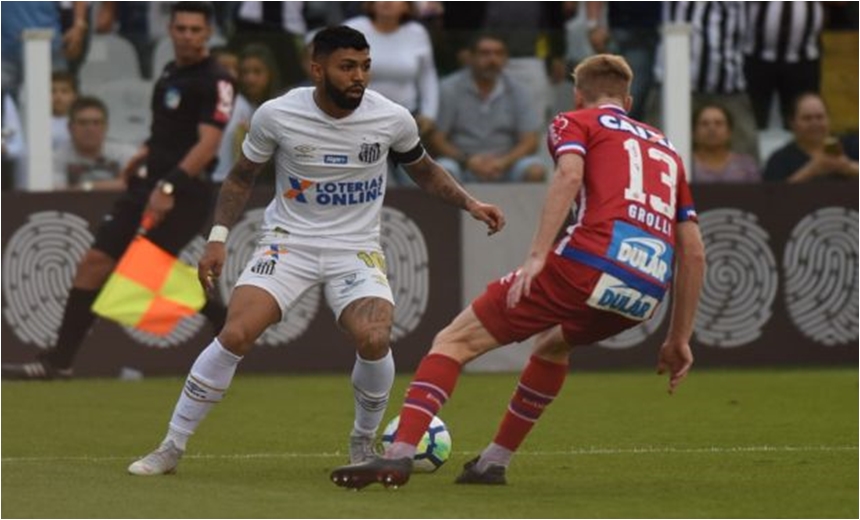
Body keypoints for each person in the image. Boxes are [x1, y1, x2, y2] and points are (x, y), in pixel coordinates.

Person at [125, 26, 504, 477]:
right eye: (347, 67)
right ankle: (171, 446)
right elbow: (242, 176)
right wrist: (218, 238)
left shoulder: (391, 117)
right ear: (317, 68)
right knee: (237, 333)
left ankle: (363, 442)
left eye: (365, 67)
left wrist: (470, 203)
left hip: (355, 249)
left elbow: (423, 170)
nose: (358, 77)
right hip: (289, 244)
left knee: (374, 337)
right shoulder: (278, 115)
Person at [330, 53, 706, 489]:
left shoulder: (575, 120)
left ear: (578, 94)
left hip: (587, 262)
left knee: (454, 341)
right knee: (552, 347)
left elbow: (567, 175)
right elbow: (693, 251)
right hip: (646, 288)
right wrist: (678, 338)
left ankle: (396, 455)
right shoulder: (666, 147)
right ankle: (493, 462)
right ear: (629, 98)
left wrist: (536, 256)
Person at [2, 2, 235, 381]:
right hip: (147, 184)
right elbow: (168, 132)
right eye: (181, 29)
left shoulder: (217, 80)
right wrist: (143, 154)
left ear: (208, 32)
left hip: (184, 191)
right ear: (171, 30)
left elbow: (207, 144)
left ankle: (223, 321)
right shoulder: (170, 71)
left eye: (196, 30)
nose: (188, 36)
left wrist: (170, 185)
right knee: (95, 261)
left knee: (144, 272)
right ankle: (58, 361)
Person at [431, 33, 547, 184]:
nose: (492, 60)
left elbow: (530, 140)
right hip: (462, 163)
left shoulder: (519, 90)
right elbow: (436, 139)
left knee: (535, 171)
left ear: (506, 59)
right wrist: (467, 161)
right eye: (485, 53)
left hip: (506, 164)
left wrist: (504, 162)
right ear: (470, 57)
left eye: (498, 54)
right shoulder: (449, 88)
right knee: (443, 171)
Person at [212, 43, 282, 183]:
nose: (250, 79)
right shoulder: (236, 105)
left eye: (257, 72)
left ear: (270, 74)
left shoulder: (282, 107)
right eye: (244, 72)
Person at [763, 92, 859, 182]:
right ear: (792, 123)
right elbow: (772, 196)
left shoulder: (851, 145)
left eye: (820, 117)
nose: (815, 123)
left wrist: (848, 167)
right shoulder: (779, 160)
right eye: (807, 118)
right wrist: (812, 170)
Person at [53, 96, 137, 191]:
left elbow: (138, 184)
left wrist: (87, 186)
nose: (90, 129)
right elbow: (58, 191)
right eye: (82, 123)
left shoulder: (125, 153)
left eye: (96, 123)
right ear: (70, 128)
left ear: (106, 127)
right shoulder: (56, 158)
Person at [691, 104, 760, 183]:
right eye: (704, 124)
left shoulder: (746, 165)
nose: (712, 128)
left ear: (729, 132)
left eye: (718, 123)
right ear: (694, 133)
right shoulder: (684, 164)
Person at [52, 71, 78, 150]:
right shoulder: (39, 123)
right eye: (52, 91)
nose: (58, 96)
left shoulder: (79, 122)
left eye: (64, 91)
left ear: (74, 96)